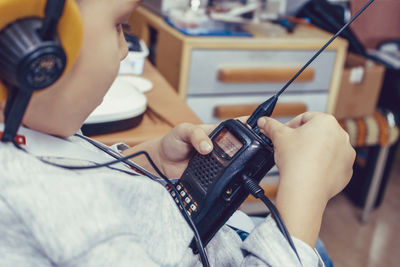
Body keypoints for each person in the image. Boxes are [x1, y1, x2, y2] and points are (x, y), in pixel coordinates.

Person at [0, 0, 356, 266]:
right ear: (34, 51)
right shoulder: (59, 212)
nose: (125, 50)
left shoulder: (25, 133)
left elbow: (71, 167)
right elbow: (76, 204)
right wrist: (305, 199)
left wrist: (146, 160)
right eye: (120, 26)